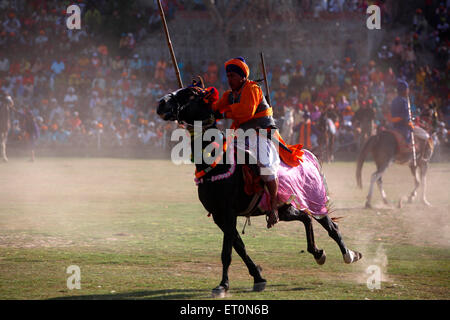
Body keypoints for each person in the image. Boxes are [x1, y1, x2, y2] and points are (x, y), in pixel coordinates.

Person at [212, 57, 303, 228]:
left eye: (232, 76)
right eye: (228, 76)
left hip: (262, 133)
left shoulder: (253, 89)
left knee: (266, 166)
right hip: (241, 135)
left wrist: (223, 114)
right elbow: (215, 108)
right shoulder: (229, 95)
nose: (229, 79)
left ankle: (274, 208)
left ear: (242, 76)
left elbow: (246, 112)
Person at [390, 80, 414, 144]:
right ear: (404, 90)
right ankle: (408, 146)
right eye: (407, 89)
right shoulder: (404, 101)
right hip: (402, 128)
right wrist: (411, 126)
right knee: (412, 133)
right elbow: (406, 117)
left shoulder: (394, 100)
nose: (408, 91)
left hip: (393, 126)